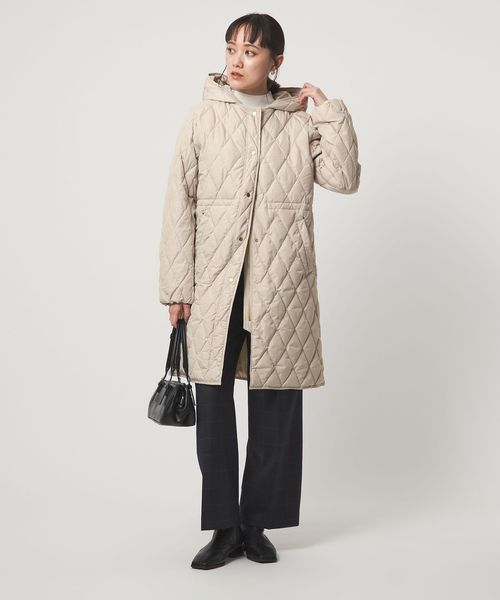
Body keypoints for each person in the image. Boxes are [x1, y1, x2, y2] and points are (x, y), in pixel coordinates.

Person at [159, 13, 361, 569]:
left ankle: (257, 526)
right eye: (231, 49)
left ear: (276, 61)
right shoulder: (202, 117)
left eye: (250, 51)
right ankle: (224, 528)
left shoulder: (299, 121)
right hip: (214, 284)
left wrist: (330, 112)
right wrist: (176, 287)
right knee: (214, 403)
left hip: (280, 284)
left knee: (276, 406)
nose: (236, 60)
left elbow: (344, 179)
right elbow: (179, 203)